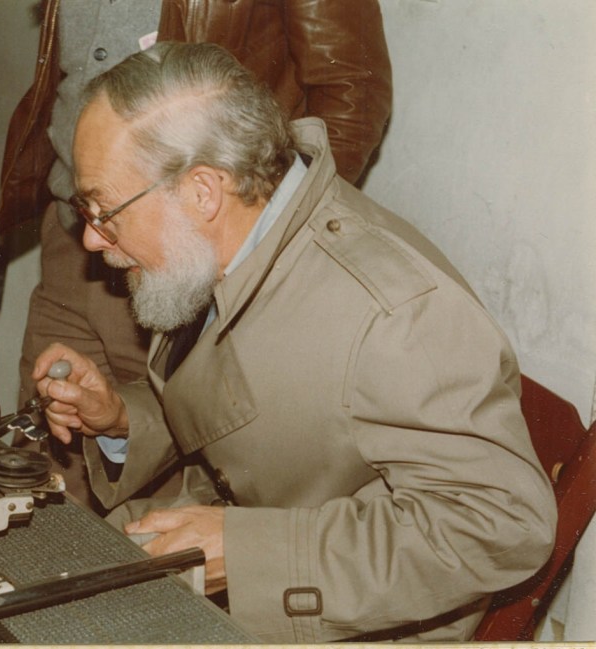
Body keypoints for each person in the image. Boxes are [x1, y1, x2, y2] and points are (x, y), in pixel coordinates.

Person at [31, 42, 557, 642]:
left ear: (203, 191)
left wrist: (251, 552)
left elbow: (505, 526)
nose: (93, 241)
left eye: (104, 209)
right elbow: (249, 410)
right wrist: (125, 419)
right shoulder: (225, 244)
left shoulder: (393, 315)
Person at [0, 0, 393, 507]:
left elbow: (354, 87)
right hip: (75, 227)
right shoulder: (87, 230)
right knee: (55, 460)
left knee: (175, 492)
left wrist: (267, 238)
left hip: (186, 247)